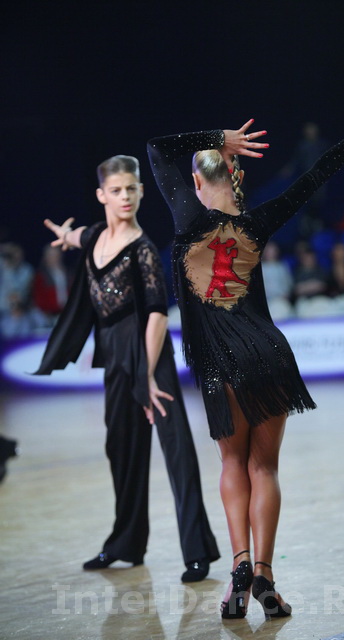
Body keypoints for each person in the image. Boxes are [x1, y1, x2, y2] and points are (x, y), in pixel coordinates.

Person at [147, 76, 344, 618]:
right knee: (266, 469)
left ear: (196, 181)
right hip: (268, 356)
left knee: (232, 465)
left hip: (220, 365)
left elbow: (155, 149)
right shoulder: (259, 222)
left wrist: (218, 136)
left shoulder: (186, 219)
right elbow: (318, 174)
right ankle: (264, 575)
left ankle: (239, 565)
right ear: (234, 177)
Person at [34, 155, 220, 582]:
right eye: (116, 191)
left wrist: (147, 375)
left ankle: (198, 551)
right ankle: (126, 544)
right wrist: (65, 235)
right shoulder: (96, 236)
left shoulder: (144, 251)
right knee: (122, 448)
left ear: (140, 192)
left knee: (177, 450)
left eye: (132, 189)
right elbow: (81, 236)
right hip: (114, 355)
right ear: (102, 195)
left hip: (148, 353)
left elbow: (157, 315)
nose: (125, 197)